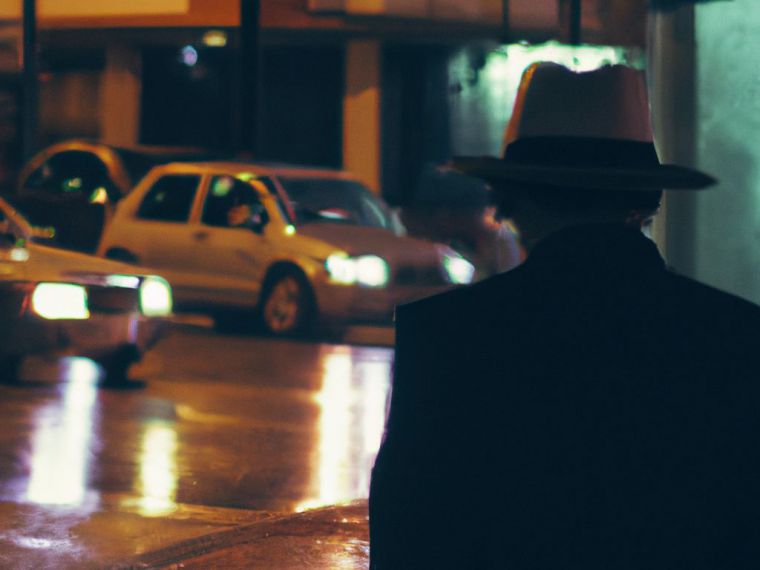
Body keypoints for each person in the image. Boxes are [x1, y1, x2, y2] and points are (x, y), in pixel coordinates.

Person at [369, 62, 760, 569]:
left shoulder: (447, 334)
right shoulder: (737, 335)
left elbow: (411, 532)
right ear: (643, 204)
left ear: (515, 204)